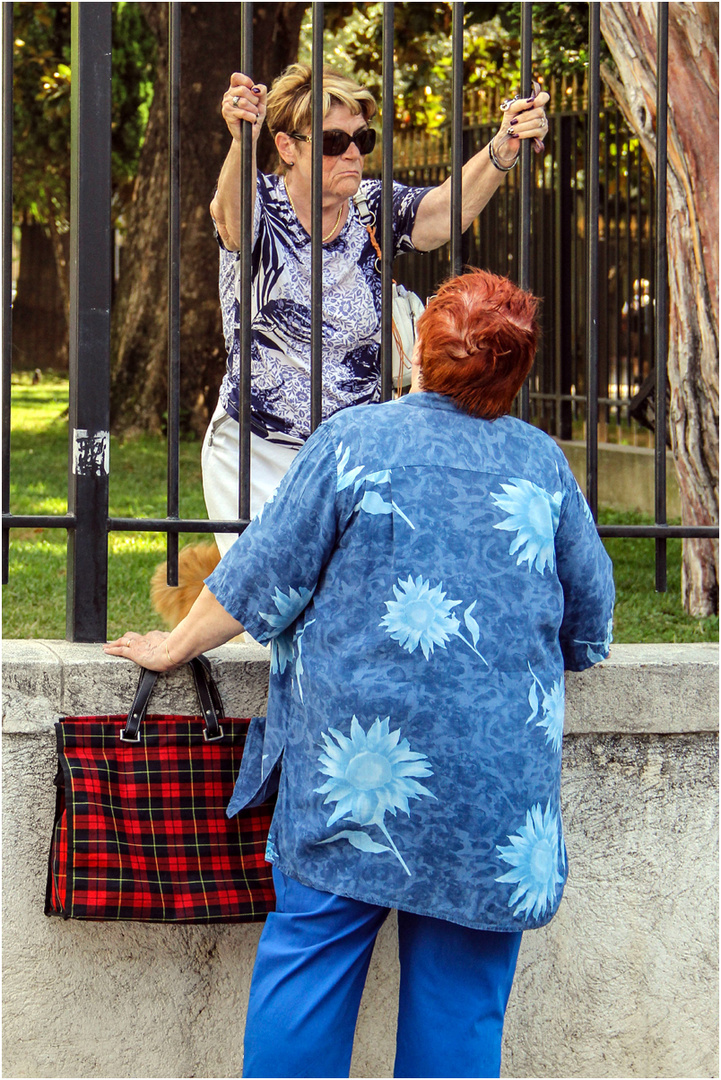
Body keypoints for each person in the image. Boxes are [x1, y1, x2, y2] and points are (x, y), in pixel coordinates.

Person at [106, 268, 614, 1080]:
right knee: (461, 1001)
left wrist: (172, 648)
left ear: (421, 350)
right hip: (490, 793)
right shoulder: (542, 467)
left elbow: (258, 578)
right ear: (513, 370)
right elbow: (589, 631)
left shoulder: (352, 443)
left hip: (352, 774)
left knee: (309, 962)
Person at [204, 63, 550, 554]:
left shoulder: (370, 207)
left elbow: (440, 214)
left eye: (360, 140)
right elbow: (230, 217)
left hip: (355, 449)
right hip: (259, 448)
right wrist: (243, 141)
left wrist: (504, 148)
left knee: (349, 603)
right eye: (332, 141)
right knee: (270, 601)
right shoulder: (259, 202)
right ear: (287, 147)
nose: (351, 153)